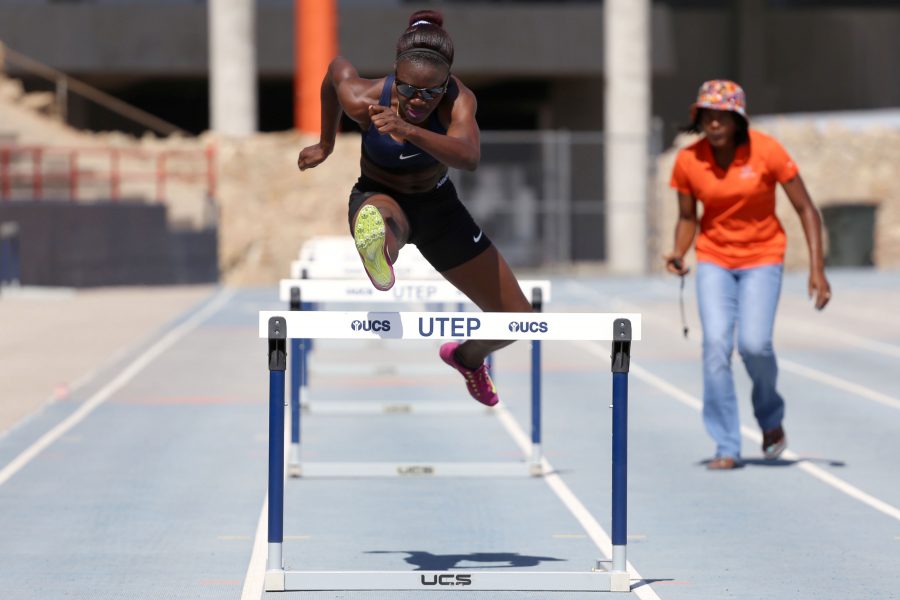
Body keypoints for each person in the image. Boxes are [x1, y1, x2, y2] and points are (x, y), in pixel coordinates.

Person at [297, 9, 532, 407]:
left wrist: (407, 129)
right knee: (385, 219)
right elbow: (335, 72)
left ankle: (467, 357)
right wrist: (326, 143)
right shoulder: (365, 99)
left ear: (446, 85)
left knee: (519, 319)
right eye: (407, 90)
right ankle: (380, 250)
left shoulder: (458, 101)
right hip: (379, 193)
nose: (418, 100)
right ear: (395, 74)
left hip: (440, 210)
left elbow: (468, 155)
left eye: (430, 92)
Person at [664, 80, 832, 470]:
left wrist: (817, 271)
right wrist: (678, 252)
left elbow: (807, 209)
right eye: (707, 115)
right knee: (716, 347)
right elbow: (688, 217)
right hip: (714, 259)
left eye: (722, 115)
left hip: (763, 256)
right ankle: (726, 445)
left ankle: (770, 419)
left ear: (738, 119)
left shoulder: (767, 151)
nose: (714, 122)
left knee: (755, 346)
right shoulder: (689, 161)